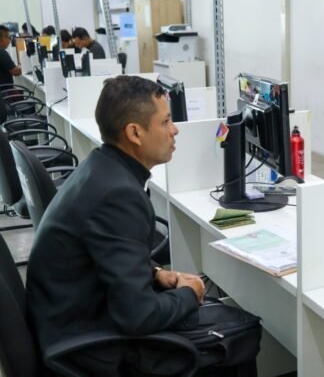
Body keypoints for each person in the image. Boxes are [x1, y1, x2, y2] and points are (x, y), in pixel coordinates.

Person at [26, 76, 205, 375]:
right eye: (165, 121)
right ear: (134, 133)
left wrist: (156, 273)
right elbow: (139, 316)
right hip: (85, 347)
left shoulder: (101, 168)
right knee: (231, 335)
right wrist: (190, 293)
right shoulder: (118, 195)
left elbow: (105, 254)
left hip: (64, 321)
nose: (174, 130)